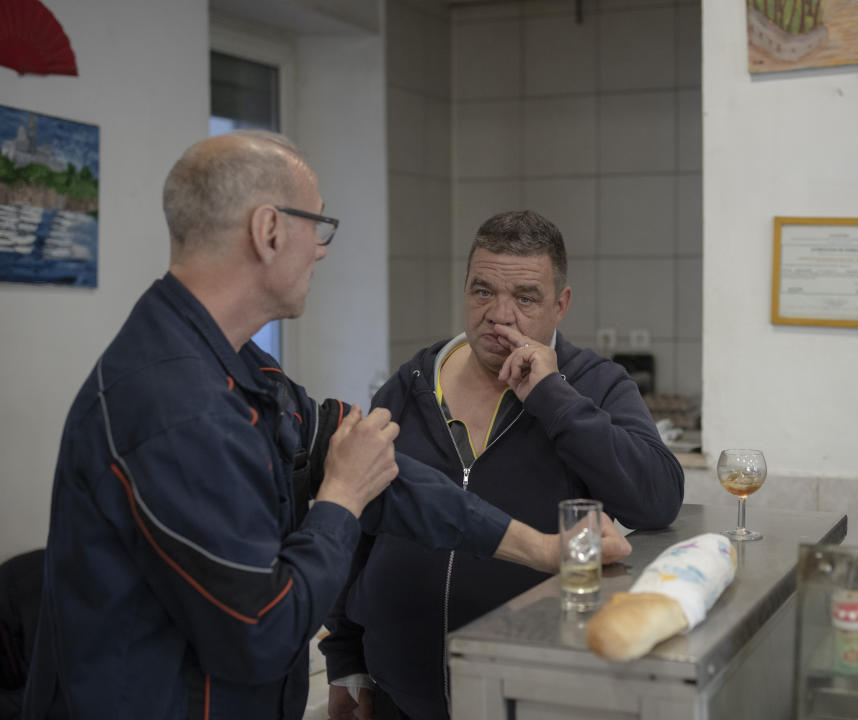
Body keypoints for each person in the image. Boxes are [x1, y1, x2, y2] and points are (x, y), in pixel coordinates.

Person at [21, 135, 630, 720]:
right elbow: (260, 633)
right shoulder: (176, 407)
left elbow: (376, 465)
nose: (321, 248)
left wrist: (546, 549)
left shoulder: (238, 366)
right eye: (318, 225)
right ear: (269, 231)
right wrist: (339, 499)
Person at [322, 210, 686, 720]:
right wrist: (345, 656)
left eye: (525, 298)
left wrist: (553, 398)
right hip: (394, 698)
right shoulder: (411, 385)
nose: (499, 315)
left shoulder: (594, 385)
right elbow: (356, 522)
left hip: (533, 698)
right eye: (482, 291)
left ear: (561, 305)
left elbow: (660, 497)